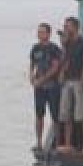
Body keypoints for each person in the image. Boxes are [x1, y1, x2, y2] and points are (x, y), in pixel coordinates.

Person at [57, 17, 83, 153]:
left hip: (78, 80)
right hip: (67, 80)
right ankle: (67, 144)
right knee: (66, 113)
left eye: (68, 26)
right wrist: (61, 72)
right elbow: (65, 60)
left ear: (75, 27)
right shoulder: (67, 43)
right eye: (65, 26)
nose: (66, 28)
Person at [28, 22, 62, 151]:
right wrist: (31, 77)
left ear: (48, 33)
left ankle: (58, 143)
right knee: (39, 114)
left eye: (42, 32)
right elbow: (32, 64)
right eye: (38, 32)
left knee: (55, 115)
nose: (40, 34)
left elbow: (55, 67)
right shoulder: (35, 48)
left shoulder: (54, 48)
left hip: (52, 86)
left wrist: (42, 80)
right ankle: (38, 142)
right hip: (39, 88)